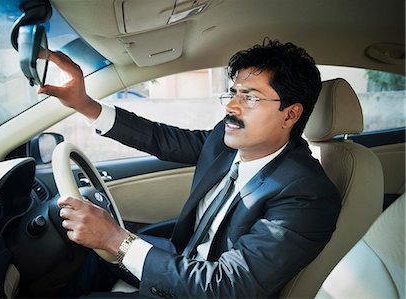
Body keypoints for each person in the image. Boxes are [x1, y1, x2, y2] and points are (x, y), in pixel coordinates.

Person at [39, 38, 341, 298]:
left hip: (210, 288)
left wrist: (116, 239)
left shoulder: (307, 195)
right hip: (184, 258)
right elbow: (160, 139)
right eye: (233, 93)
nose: (231, 107)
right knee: (97, 258)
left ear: (290, 115)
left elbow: (229, 286)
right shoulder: (225, 143)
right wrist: (84, 103)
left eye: (249, 97)